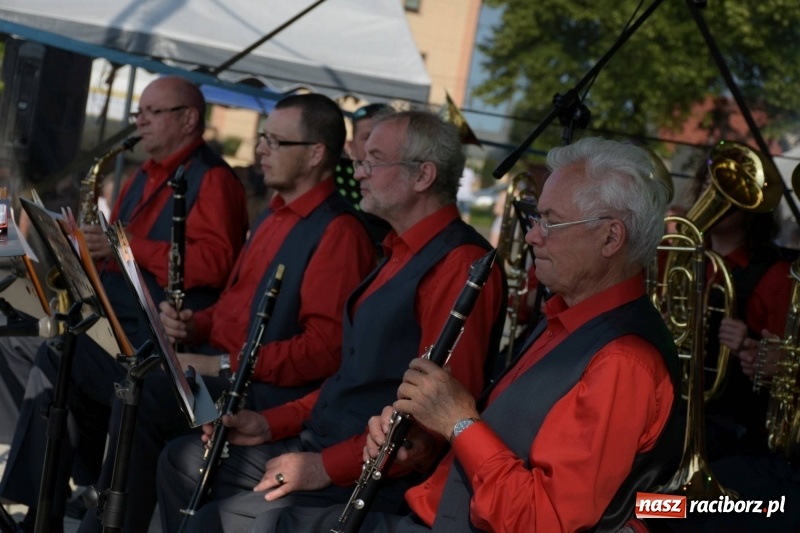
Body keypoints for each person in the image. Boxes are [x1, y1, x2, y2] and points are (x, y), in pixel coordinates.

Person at [261, 136, 682, 533]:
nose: (533, 234)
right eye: (537, 219)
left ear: (610, 236)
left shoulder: (623, 360)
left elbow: (544, 520)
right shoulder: (568, 319)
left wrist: (459, 422)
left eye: (550, 222)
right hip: (426, 510)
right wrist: (427, 438)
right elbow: (512, 441)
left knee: (238, 519)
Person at [156, 109, 507, 532]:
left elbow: (430, 428)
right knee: (182, 460)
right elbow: (352, 375)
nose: (358, 172)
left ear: (423, 176)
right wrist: (272, 422)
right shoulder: (398, 249)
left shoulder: (459, 262)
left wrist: (323, 466)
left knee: (215, 519)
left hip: (375, 476)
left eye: (372, 160)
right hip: (329, 441)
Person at [73, 92, 377, 533]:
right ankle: (104, 517)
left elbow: (323, 352)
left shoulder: (339, 232)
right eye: (262, 138)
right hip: (228, 374)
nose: (260, 149)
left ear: (315, 154)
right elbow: (236, 308)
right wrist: (197, 323)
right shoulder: (274, 216)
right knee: (126, 375)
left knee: (146, 391)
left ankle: (110, 526)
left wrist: (218, 362)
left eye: (275, 141)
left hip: (265, 394)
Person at [0, 75, 250, 533]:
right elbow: (121, 254)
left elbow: (216, 263)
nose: (140, 122)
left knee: (61, 361)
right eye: (139, 112)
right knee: (56, 356)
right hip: (120, 316)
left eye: (152, 112)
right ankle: (41, 510)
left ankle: (71, 504)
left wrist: (124, 245)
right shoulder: (141, 173)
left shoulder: (214, 180)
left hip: (155, 333)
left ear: (189, 119)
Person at [680, 160, 793, 460]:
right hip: (683, 408)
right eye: (707, 185)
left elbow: (783, 366)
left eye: (725, 189)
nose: (711, 195)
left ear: (750, 204)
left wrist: (747, 344)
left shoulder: (775, 274)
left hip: (735, 429)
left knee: (666, 505)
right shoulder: (684, 258)